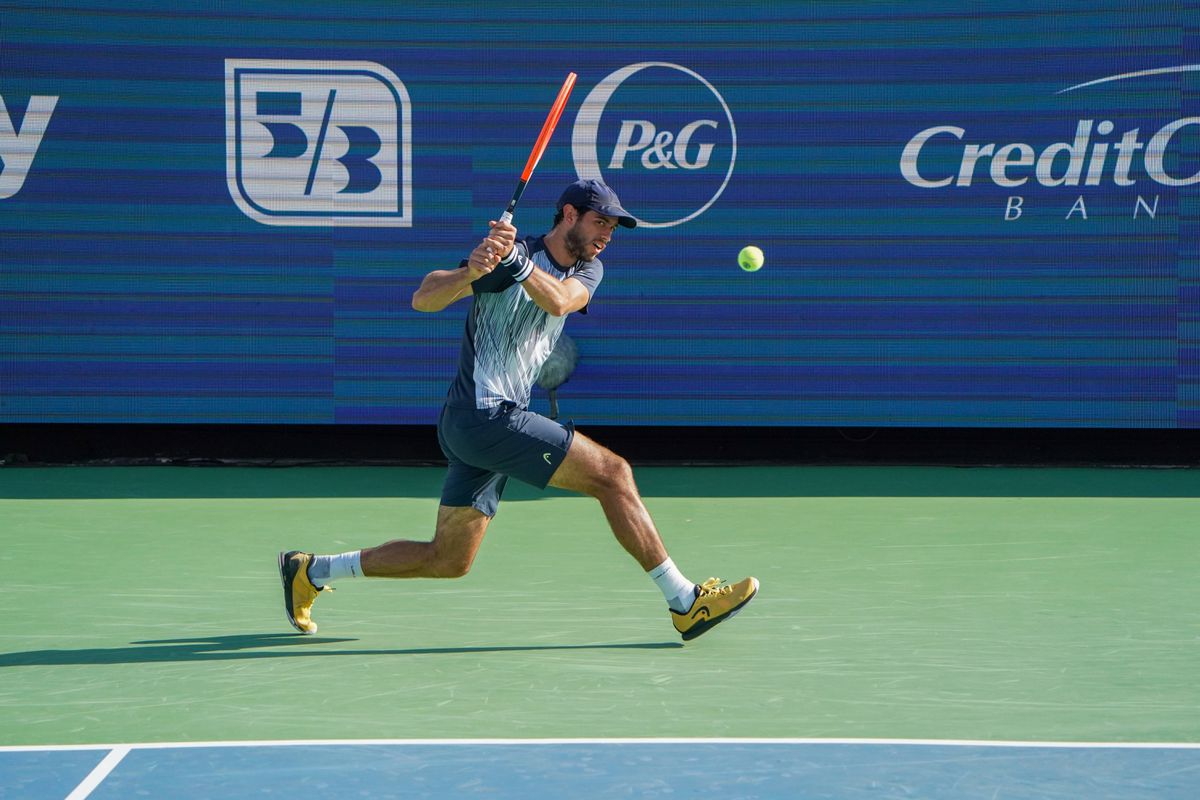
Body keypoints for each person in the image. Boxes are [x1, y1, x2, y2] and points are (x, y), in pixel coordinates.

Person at [278, 178, 758, 641]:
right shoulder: (508, 259)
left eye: (613, 227)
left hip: (486, 423)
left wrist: (519, 266)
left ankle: (311, 570)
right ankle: (684, 602)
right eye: (600, 223)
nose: (607, 235)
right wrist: (473, 270)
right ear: (569, 215)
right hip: (482, 414)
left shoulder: (585, 269)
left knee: (449, 559)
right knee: (613, 475)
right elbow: (424, 298)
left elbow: (562, 302)